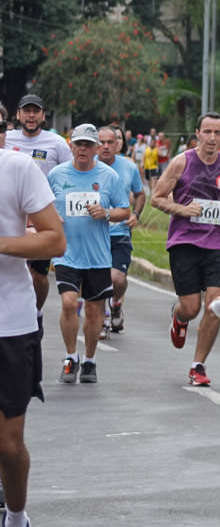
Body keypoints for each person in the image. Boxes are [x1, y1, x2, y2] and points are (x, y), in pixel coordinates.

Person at [0, 103, 66, 527]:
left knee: (8, 445)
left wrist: (3, 243)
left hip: (10, 322)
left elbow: (55, 240)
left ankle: (16, 516)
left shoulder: (18, 168)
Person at [151, 112, 220, 387]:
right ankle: (179, 317)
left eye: (218, 133)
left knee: (215, 306)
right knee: (191, 308)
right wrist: (182, 209)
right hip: (185, 242)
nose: (212, 138)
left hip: (217, 242)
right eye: (207, 132)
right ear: (197, 134)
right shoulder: (182, 162)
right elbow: (156, 198)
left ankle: (198, 365)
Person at [48, 124, 130, 384]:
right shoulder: (56, 174)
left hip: (97, 255)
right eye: (78, 144)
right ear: (71, 145)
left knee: (95, 312)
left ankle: (90, 360)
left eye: (88, 145)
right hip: (67, 252)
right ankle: (71, 356)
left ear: (96, 149)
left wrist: (105, 213)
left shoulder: (108, 176)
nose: (82, 149)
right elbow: (43, 205)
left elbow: (124, 211)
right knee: (69, 303)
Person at [4, 94, 72, 328]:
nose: (31, 116)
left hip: (41, 219)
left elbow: (68, 176)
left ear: (43, 116)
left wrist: (59, 211)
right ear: (18, 115)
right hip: (12, 217)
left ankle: (36, 312)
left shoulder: (56, 143)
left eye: (36, 111)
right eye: (27, 111)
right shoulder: (7, 138)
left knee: (38, 275)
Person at [97, 126, 146, 336]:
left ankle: (115, 303)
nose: (107, 146)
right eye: (103, 142)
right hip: (94, 234)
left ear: (118, 144)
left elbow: (140, 193)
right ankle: (100, 320)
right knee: (97, 278)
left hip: (119, 233)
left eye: (112, 142)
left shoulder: (129, 168)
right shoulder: (87, 166)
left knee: (117, 279)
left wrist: (136, 214)